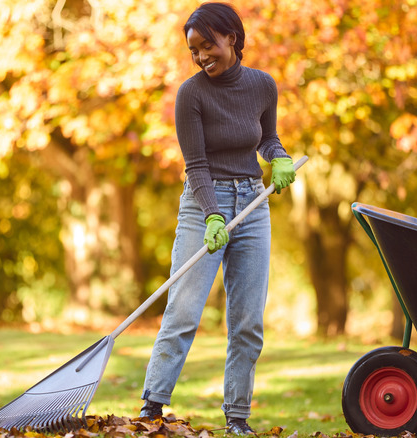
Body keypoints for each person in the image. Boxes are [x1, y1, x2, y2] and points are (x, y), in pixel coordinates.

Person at [139, 2, 297, 435]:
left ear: (232, 37)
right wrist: (211, 216)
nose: (201, 56)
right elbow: (197, 165)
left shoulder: (263, 86)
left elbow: (267, 139)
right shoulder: (192, 94)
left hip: (252, 203)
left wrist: (278, 158)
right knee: (184, 310)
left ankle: (237, 418)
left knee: (248, 320)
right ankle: (152, 409)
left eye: (208, 45)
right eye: (194, 50)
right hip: (202, 205)